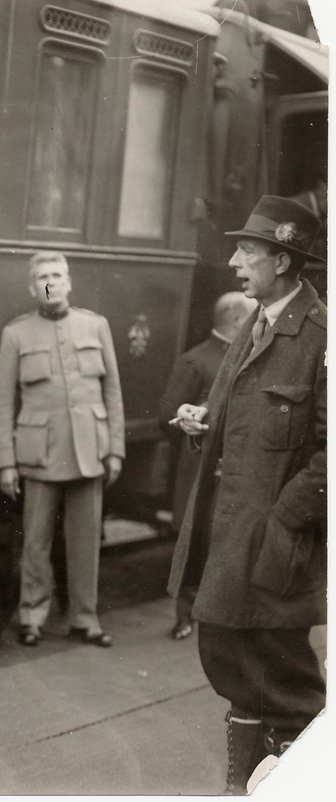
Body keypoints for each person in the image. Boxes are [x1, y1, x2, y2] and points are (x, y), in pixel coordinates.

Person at [168, 195, 326, 795]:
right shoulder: (255, 324)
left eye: (247, 251)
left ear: (281, 261)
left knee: (281, 677)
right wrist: (200, 421)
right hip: (230, 535)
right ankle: (244, 786)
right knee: (228, 655)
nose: (234, 262)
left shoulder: (320, 335)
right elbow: (241, 418)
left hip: (274, 545)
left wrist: (285, 520)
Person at [0, 251, 124, 648]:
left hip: (89, 450)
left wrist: (115, 449)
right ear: (32, 287)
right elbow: (3, 402)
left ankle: (85, 619)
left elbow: (113, 393)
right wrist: (6, 462)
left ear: (69, 281)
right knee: (35, 542)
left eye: (57, 274)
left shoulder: (96, 325)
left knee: (86, 541)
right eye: (42, 276)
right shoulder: (16, 333)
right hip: (41, 452)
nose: (51, 282)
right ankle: (32, 616)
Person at [158, 291, 256, 641]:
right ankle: (185, 617)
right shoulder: (195, 360)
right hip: (200, 468)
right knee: (195, 542)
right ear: (236, 320)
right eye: (252, 314)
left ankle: (219, 617)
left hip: (238, 468)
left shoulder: (251, 353)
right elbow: (166, 416)